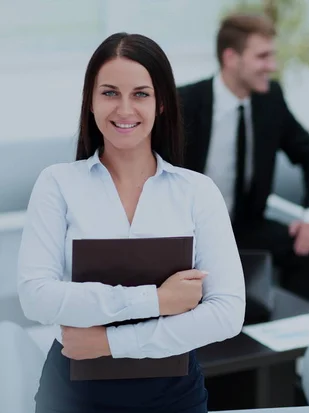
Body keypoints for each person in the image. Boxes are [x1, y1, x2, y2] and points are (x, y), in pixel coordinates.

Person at [17, 32, 245, 413]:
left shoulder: (197, 192)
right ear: (90, 102)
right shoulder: (57, 184)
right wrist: (158, 300)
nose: (124, 109)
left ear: (161, 105)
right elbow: (36, 297)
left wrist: (109, 343)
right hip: (72, 395)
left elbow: (226, 313)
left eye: (140, 94)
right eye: (109, 93)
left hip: (174, 395)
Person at [178, 13, 309, 304]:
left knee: (308, 247)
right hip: (189, 233)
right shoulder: (185, 102)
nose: (272, 66)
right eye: (263, 56)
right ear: (231, 57)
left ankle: (292, 341)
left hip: (246, 227)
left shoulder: (270, 99)